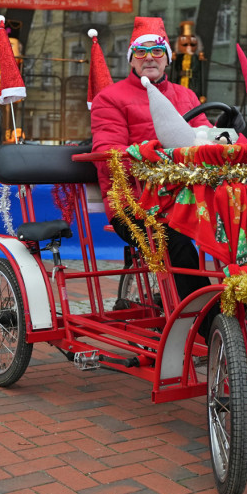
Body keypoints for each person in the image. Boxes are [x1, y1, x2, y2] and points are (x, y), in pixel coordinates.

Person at [90, 17, 214, 326]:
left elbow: (207, 136)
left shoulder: (186, 96)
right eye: (141, 52)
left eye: (157, 52)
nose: (149, 58)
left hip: (187, 198)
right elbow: (108, 154)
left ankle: (236, 311)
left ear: (168, 59)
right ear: (131, 58)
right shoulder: (111, 98)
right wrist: (154, 154)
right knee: (176, 242)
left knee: (242, 226)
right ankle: (207, 324)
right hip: (134, 204)